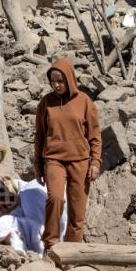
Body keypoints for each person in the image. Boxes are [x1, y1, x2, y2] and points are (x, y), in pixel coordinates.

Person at [33, 58, 102, 253]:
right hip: (54, 160)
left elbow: (95, 135)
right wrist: (38, 166)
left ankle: (72, 252)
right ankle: (51, 246)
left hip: (80, 161)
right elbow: (39, 135)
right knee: (55, 199)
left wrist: (95, 162)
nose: (56, 85)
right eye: (53, 81)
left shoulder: (84, 102)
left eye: (60, 81)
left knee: (77, 211)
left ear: (70, 79)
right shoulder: (46, 103)